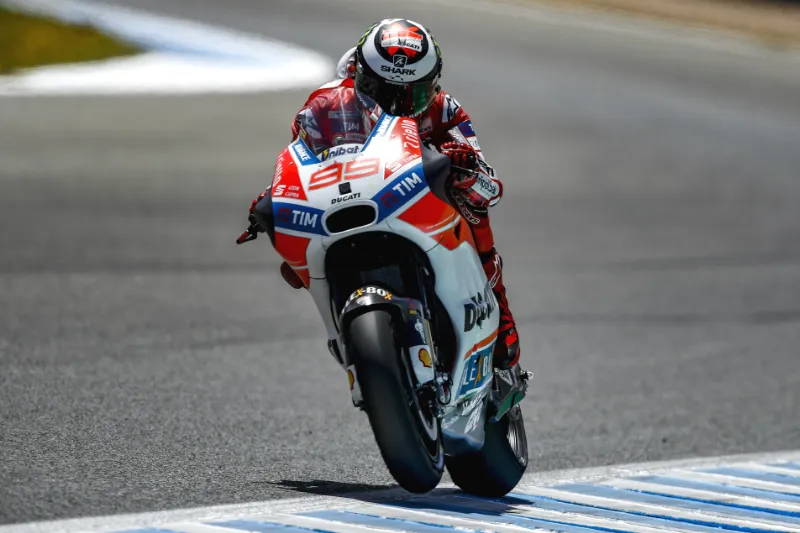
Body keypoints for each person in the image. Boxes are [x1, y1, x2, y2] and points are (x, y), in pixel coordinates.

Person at [246, 19, 520, 370]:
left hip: (419, 200)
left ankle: (500, 312)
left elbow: (490, 188)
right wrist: (278, 194)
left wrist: (465, 169)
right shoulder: (328, 103)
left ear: (432, 84)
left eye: (410, 95)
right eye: (379, 90)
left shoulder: (445, 111)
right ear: (359, 75)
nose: (395, 104)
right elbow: (303, 158)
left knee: (474, 210)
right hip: (356, 193)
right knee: (293, 257)